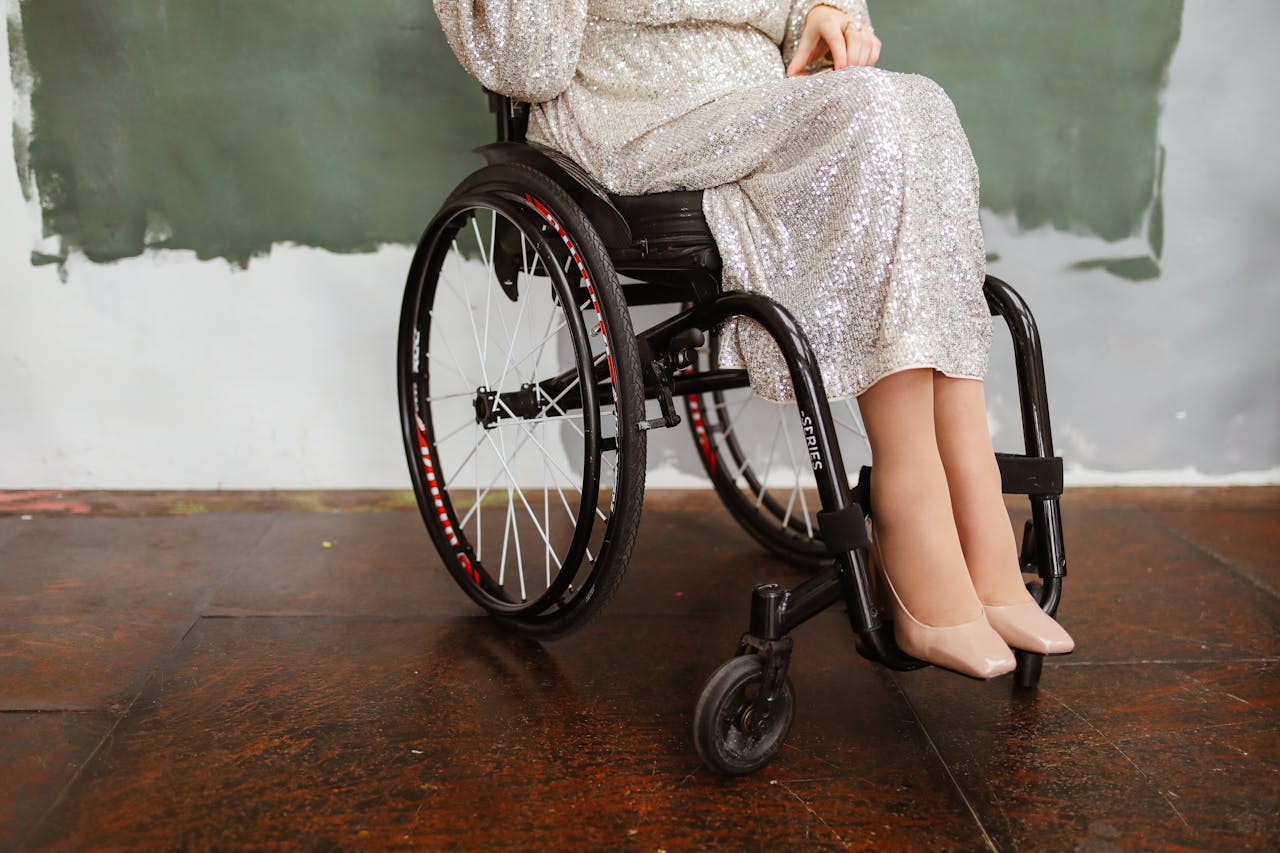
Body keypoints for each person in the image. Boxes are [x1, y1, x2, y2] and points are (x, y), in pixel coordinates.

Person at [433, 0, 1074, 677]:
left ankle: (976, 511)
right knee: (876, 114)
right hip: (633, 111)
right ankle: (910, 507)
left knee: (922, 106)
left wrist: (824, 15)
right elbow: (527, 62)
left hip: (763, 102)